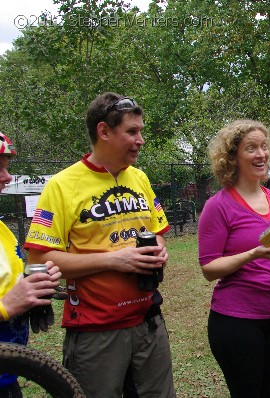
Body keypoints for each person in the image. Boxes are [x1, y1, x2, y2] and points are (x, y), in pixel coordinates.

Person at [24, 93, 175, 398]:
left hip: (148, 324)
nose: (141, 139)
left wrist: (159, 248)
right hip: (97, 330)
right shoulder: (63, 185)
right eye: (132, 132)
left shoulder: (140, 178)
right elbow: (38, 259)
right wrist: (115, 260)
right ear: (104, 131)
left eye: (141, 131)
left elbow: (158, 230)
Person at [198, 120, 270, 398]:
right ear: (232, 157)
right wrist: (252, 254)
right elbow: (209, 268)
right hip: (236, 322)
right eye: (251, 148)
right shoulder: (218, 205)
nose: (261, 154)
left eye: (264, 147)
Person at [0, 131, 62, 396]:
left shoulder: (3, 230)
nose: (8, 177)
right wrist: (5, 307)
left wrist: (32, 289)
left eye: (6, 167)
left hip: (8, 376)